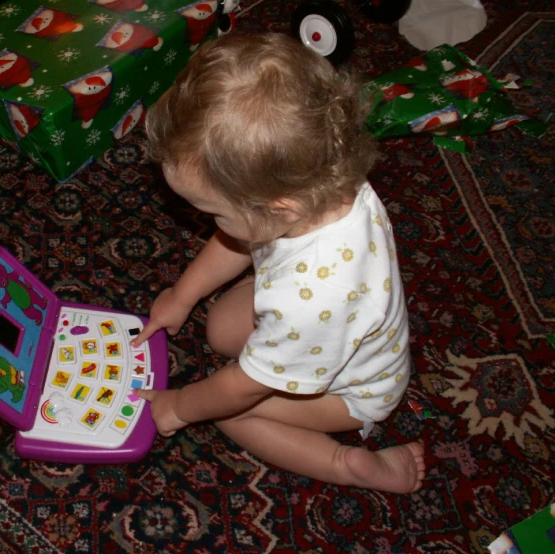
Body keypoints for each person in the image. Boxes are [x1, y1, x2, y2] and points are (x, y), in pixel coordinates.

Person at [131, 32, 425, 494]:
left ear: (279, 207)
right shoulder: (323, 181)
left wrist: (181, 405)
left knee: (232, 412)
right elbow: (238, 240)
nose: (209, 222)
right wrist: (182, 295)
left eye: (214, 213)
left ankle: (349, 464)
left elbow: (241, 386)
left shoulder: (310, 298)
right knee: (218, 328)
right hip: (323, 317)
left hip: (350, 392)